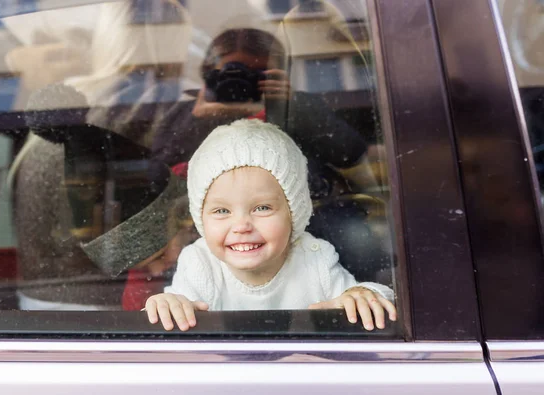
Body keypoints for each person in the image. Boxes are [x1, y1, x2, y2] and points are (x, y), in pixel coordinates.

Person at [143, 119, 397, 331]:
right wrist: (167, 303)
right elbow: (175, 310)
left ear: (294, 212)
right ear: (201, 219)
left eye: (262, 208)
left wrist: (363, 294)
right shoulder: (200, 262)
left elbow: (361, 301)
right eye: (222, 211)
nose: (241, 225)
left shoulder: (313, 257)